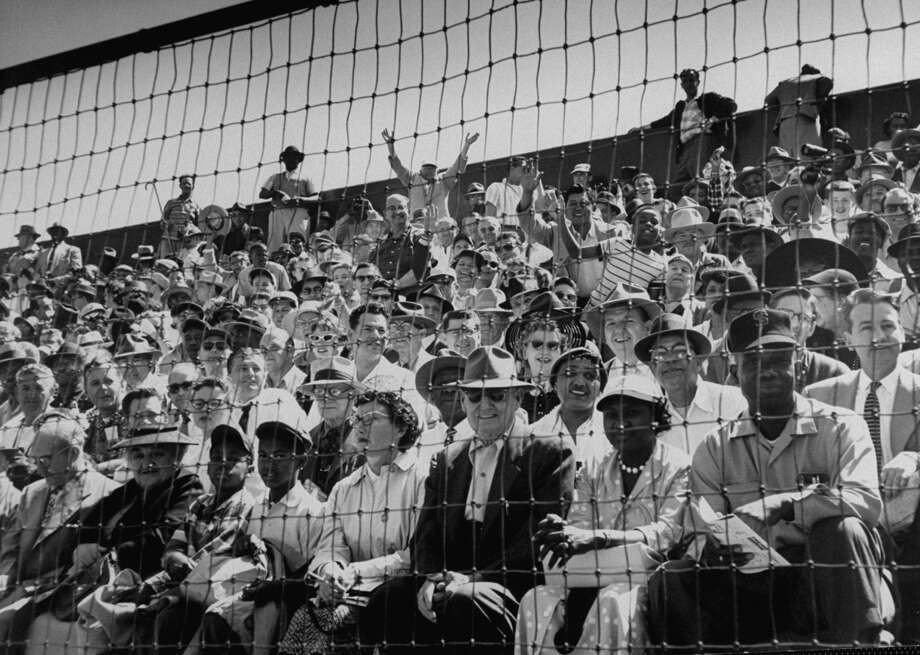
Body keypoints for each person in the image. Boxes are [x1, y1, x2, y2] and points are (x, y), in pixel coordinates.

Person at [649, 308, 887, 648]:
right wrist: (711, 549)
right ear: (734, 373)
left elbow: (866, 503)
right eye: (754, 363)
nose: (768, 372)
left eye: (778, 360)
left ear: (799, 366)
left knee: (842, 529)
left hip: (828, 578)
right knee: (673, 577)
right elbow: (700, 528)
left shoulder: (842, 425)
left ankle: (858, 645)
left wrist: (786, 503)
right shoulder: (714, 448)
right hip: (754, 585)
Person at [360, 346, 575, 655]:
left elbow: (536, 540)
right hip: (450, 579)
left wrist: (471, 579)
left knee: (465, 601)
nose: (484, 405)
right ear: (463, 400)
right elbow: (425, 535)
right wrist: (434, 579)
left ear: (517, 397)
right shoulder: (447, 459)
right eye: (475, 397)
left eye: (497, 396)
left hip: (513, 585)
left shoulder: (549, 451)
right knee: (387, 599)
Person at [516, 374, 691, 655]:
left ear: (657, 418)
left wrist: (601, 537)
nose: (619, 423)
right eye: (611, 415)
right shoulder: (594, 467)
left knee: (612, 600)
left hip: (652, 584)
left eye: (632, 413)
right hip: (589, 580)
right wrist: (563, 532)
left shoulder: (679, 466)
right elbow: (579, 527)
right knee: (535, 600)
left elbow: (668, 533)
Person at [27, 424, 203, 651]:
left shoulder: (187, 484)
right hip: (107, 578)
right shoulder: (133, 487)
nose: (146, 463)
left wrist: (114, 553)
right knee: (39, 619)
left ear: (176, 457)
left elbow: (166, 535)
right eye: (138, 456)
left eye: (157, 454)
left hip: (151, 579)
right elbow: (92, 519)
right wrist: (87, 544)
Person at [281, 391, 427, 655]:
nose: (359, 426)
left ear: (401, 428)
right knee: (304, 618)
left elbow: (415, 556)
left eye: (370, 419)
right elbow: (330, 546)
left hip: (399, 599)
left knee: (338, 622)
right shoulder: (343, 488)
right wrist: (331, 572)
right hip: (347, 591)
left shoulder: (423, 479)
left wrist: (357, 571)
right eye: (357, 419)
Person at [199, 416, 324, 655]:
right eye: (264, 456)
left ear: (300, 461)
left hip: (284, 602)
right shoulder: (258, 505)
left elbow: (312, 576)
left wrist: (274, 588)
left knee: (222, 620)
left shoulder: (311, 511)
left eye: (280, 456)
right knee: (211, 616)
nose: (269, 465)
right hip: (247, 590)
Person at [0, 412, 120, 654]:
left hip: (59, 591)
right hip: (18, 586)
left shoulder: (108, 493)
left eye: (45, 459)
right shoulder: (33, 491)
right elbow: (11, 547)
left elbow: (93, 562)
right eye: (35, 460)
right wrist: (5, 581)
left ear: (73, 454)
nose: (39, 468)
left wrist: (27, 590)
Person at [634, 314, 747, 456]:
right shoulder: (653, 419)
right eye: (660, 354)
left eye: (680, 351)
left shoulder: (732, 402)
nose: (670, 360)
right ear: (652, 368)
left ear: (699, 362)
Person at [642, 68, 737, 184]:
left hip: (702, 141)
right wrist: (642, 128)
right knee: (678, 184)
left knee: (701, 177)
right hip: (685, 148)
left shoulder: (707, 98)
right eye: (685, 81)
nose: (689, 84)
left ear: (698, 82)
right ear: (682, 85)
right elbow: (666, 120)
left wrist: (713, 118)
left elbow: (731, 104)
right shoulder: (681, 107)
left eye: (691, 80)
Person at [526, 344, 611, 467]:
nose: (579, 383)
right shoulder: (533, 435)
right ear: (554, 384)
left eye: (590, 376)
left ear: (601, 390)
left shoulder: (614, 433)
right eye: (570, 373)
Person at [383, 129, 479, 219]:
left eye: (432, 168)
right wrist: (390, 147)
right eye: (426, 168)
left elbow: (457, 167)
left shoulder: (444, 181)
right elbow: (398, 167)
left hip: (440, 226)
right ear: (420, 170)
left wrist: (466, 146)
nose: (429, 171)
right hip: (417, 225)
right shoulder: (412, 179)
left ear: (437, 170)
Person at [769, 287, 850, 390]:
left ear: (812, 328)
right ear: (770, 320)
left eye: (804, 318)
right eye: (786, 315)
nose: (795, 324)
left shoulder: (835, 372)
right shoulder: (749, 368)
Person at [367, 193, 431, 294]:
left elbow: (421, 271)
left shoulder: (419, 236)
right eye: (392, 208)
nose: (397, 211)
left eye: (401, 207)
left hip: (411, 300)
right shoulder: (379, 245)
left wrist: (394, 285)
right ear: (385, 214)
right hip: (382, 298)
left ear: (408, 211)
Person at [765, 64, 834, 156]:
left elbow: (768, 100)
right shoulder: (818, 77)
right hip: (806, 119)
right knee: (809, 155)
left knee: (787, 157)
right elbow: (828, 83)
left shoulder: (785, 83)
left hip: (784, 124)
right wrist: (819, 98)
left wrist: (784, 107)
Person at [259, 146, 318, 252]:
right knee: (275, 244)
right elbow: (262, 194)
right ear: (284, 160)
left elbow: (316, 197)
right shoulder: (275, 177)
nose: (292, 160)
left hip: (298, 212)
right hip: (278, 211)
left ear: (299, 160)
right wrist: (276, 193)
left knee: (297, 243)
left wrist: (301, 199)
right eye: (288, 157)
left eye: (295, 157)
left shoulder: (305, 178)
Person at [159, 175, 200, 257]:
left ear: (193, 186)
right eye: (184, 183)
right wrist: (165, 224)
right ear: (180, 186)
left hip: (186, 242)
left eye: (188, 183)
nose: (186, 185)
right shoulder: (171, 202)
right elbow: (163, 220)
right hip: (169, 239)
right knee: (166, 263)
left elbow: (199, 224)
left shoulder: (196, 206)